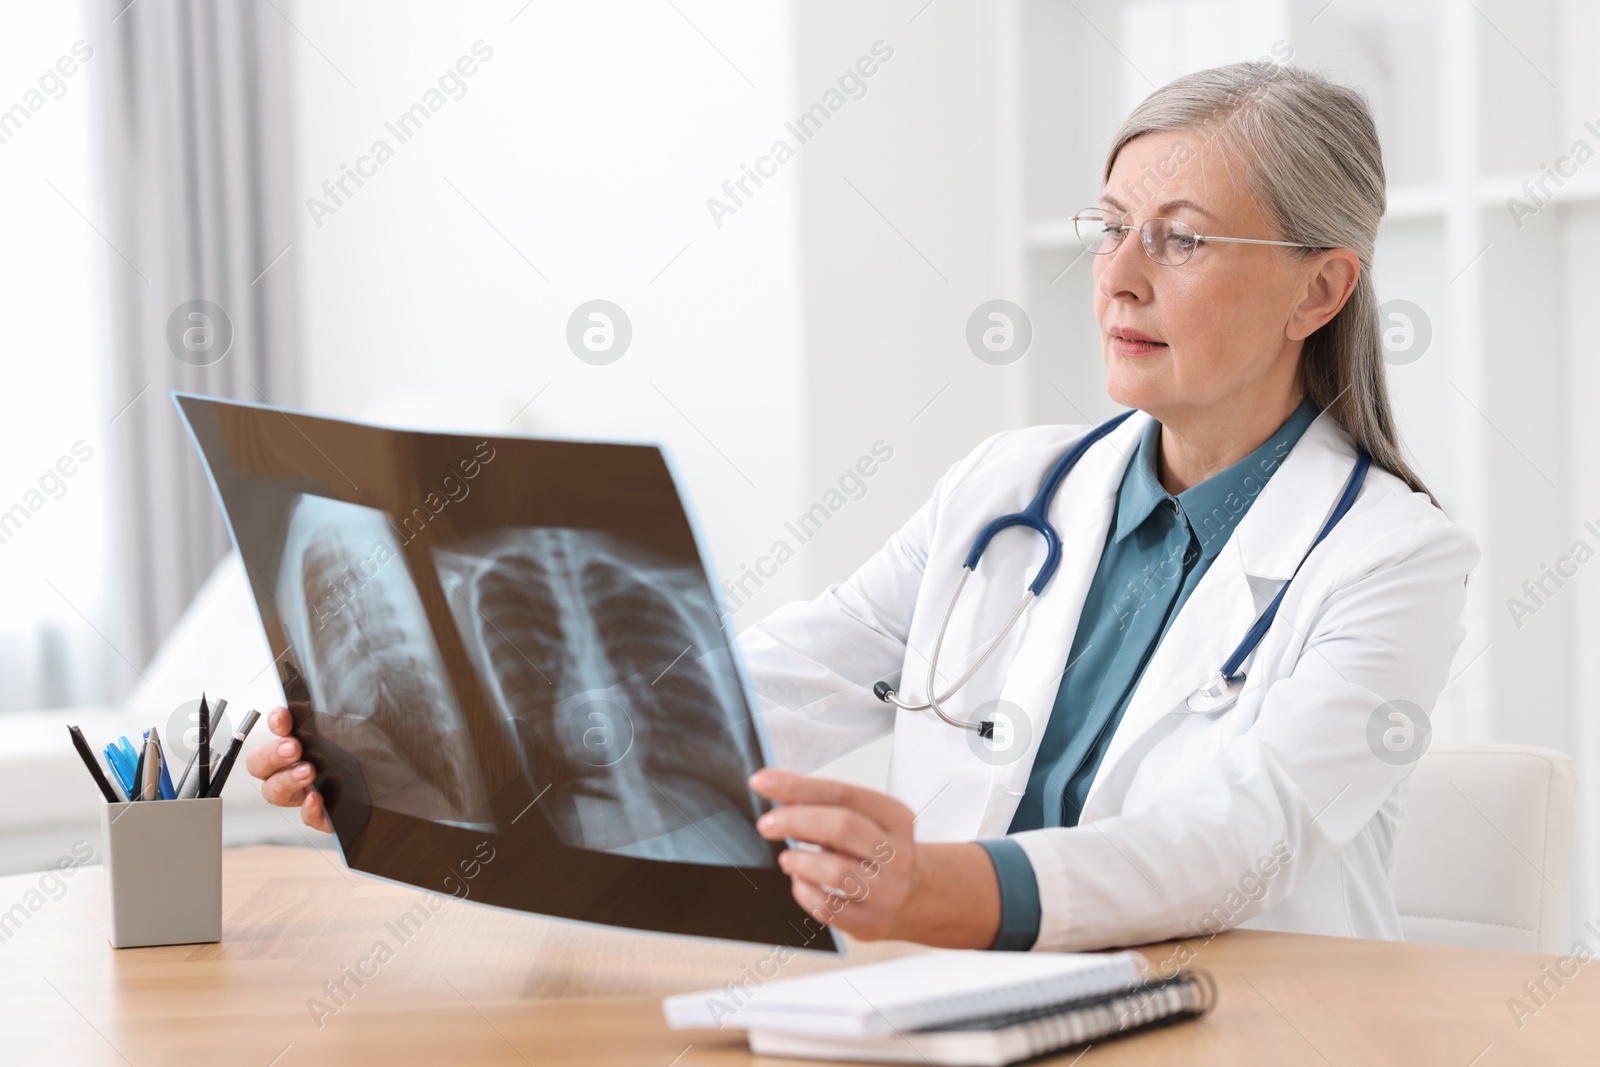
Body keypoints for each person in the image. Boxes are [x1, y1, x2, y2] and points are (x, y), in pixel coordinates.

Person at [247, 60, 1476, 953]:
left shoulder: (1393, 556)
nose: (1117, 276)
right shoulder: (1010, 490)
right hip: (953, 1003)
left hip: (1241, 1021)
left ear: (1319, 289)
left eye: (1182, 240)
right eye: (1108, 228)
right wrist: (439, 747)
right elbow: (768, 687)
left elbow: (1243, 836)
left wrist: (934, 886)